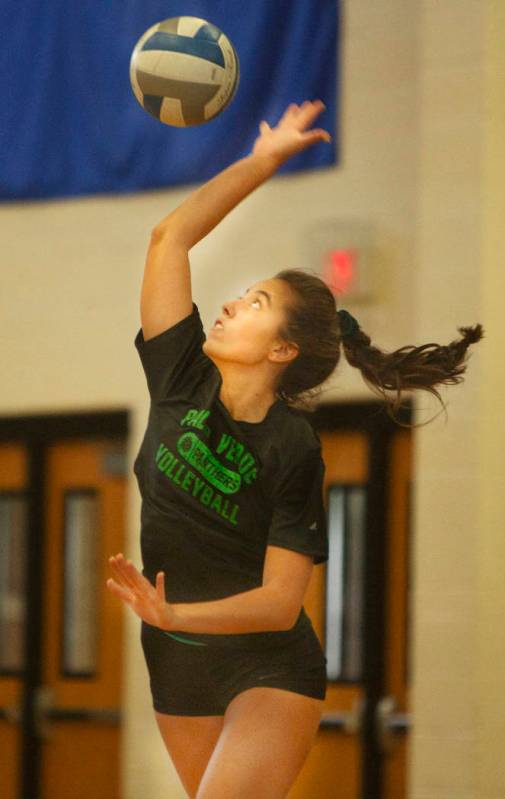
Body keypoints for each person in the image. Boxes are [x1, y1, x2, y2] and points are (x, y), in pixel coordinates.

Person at [106, 100, 484, 799]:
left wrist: (174, 612)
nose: (228, 304)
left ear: (282, 348)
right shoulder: (178, 376)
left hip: (265, 665)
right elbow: (169, 238)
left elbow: (280, 603)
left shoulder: (291, 447)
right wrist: (263, 161)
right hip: (175, 657)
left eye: (253, 303)